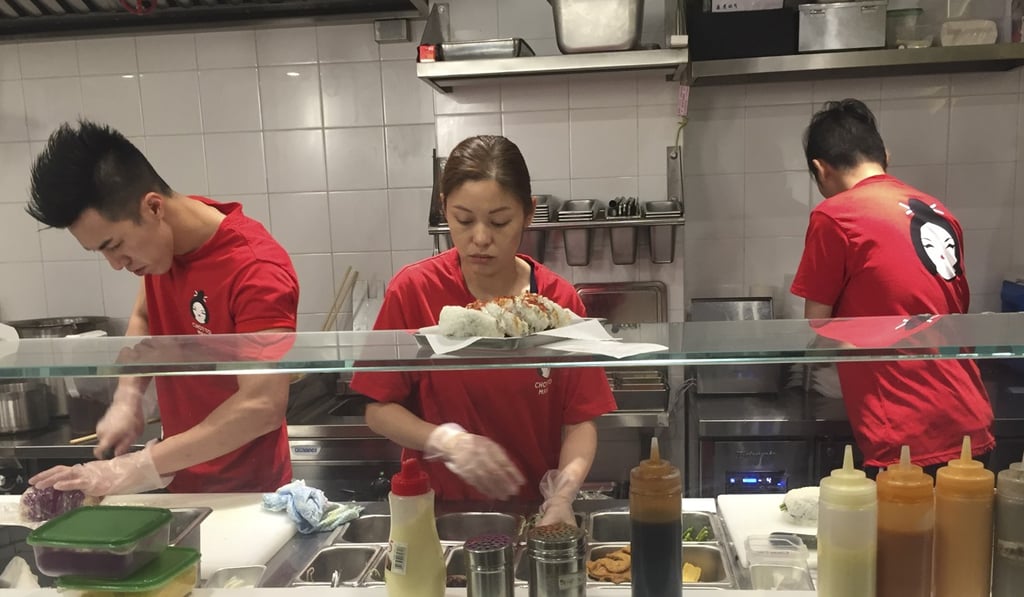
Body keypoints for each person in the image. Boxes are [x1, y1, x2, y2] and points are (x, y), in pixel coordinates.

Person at [350, 135, 616, 524]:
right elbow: (378, 410)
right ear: (444, 209)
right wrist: (447, 441)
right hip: (439, 515)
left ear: (529, 213)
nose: (480, 238)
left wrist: (562, 496)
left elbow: (580, 422)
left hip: (531, 514)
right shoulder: (414, 290)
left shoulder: (555, 302)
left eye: (499, 222)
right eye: (463, 220)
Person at [25, 120, 299, 495]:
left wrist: (135, 467)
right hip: (180, 479)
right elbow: (144, 315)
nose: (115, 264)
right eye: (100, 251)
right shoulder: (167, 247)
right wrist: (128, 398)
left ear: (153, 207)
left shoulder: (255, 268)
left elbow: (262, 406)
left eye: (114, 245)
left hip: (249, 494)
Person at [791, 99, 994, 477]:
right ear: (885, 156)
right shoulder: (938, 211)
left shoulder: (835, 215)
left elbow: (817, 326)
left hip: (906, 429)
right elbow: (952, 313)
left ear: (820, 169)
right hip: (969, 415)